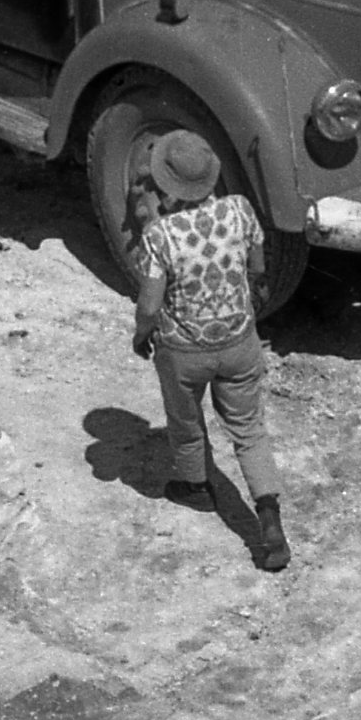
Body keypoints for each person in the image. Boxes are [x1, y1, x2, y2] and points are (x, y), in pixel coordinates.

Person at [125, 125, 291, 573]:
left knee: (185, 421)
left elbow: (149, 303)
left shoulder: (160, 237)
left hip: (185, 351)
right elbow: (257, 261)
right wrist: (252, 295)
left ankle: (196, 488)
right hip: (239, 343)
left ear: (164, 183)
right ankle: (269, 517)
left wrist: (143, 336)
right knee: (248, 429)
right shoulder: (238, 210)